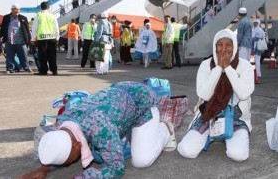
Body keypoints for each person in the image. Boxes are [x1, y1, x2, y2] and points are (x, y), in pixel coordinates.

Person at [20, 81, 176, 179]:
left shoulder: (100, 126)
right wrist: (44, 169)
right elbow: (58, 145)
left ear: (77, 146)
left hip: (143, 101)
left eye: (69, 161)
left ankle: (165, 129)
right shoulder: (63, 121)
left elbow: (117, 168)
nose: (69, 164)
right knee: (101, 155)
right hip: (119, 94)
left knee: (141, 161)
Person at [177, 29, 254, 161]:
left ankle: (225, 134)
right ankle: (211, 134)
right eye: (220, 44)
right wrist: (218, 68)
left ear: (234, 46)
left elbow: (243, 94)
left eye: (228, 44)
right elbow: (204, 95)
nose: (224, 49)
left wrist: (228, 69)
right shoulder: (206, 65)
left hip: (236, 116)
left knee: (238, 155)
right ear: (215, 47)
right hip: (209, 114)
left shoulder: (245, 66)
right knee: (186, 150)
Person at [0, 4, 32, 73]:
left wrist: (29, 38)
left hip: (21, 41)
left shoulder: (23, 18)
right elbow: (3, 27)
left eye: (18, 9)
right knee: (9, 56)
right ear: (12, 10)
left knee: (24, 55)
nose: (17, 11)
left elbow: (27, 29)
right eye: (16, 9)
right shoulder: (6, 17)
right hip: (10, 40)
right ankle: (10, 69)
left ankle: (26, 68)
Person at [31, 1, 60, 76]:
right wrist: (57, 37)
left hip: (42, 39)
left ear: (41, 7)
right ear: (48, 7)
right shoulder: (52, 15)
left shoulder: (38, 15)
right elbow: (56, 27)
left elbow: (34, 28)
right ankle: (54, 71)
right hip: (52, 38)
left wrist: (33, 39)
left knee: (42, 56)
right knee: (52, 56)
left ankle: (43, 71)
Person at [252, 19, 265, 84]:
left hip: (257, 47)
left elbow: (256, 38)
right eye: (254, 23)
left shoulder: (259, 30)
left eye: (256, 23)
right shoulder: (254, 30)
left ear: (258, 23)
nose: (255, 24)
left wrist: (250, 39)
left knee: (257, 60)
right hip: (255, 47)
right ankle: (257, 73)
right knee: (256, 60)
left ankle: (258, 74)